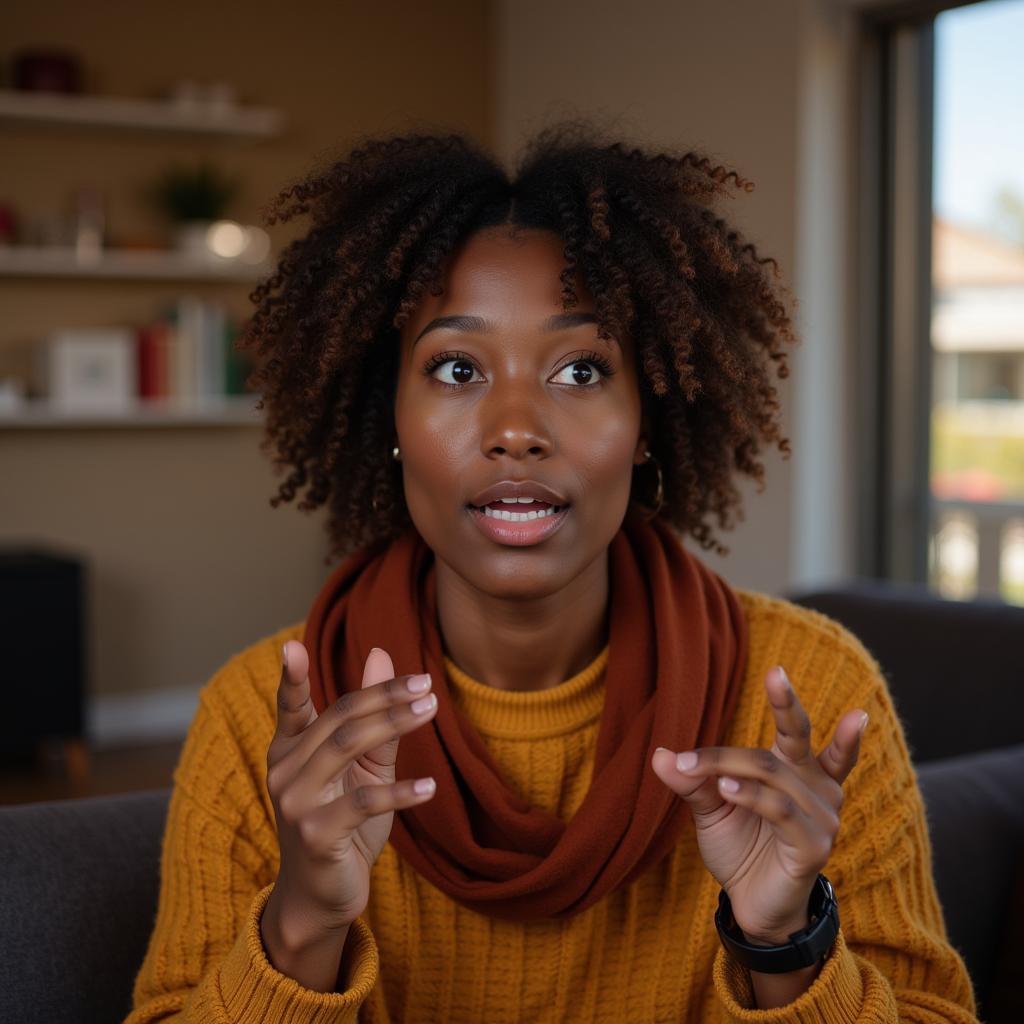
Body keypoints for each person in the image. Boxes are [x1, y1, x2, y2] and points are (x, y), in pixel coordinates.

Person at [125, 121, 978, 1023]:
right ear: (391, 417)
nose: (516, 426)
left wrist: (783, 943)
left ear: (647, 418)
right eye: (457, 367)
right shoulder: (257, 725)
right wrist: (302, 925)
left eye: (580, 369)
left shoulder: (809, 695)